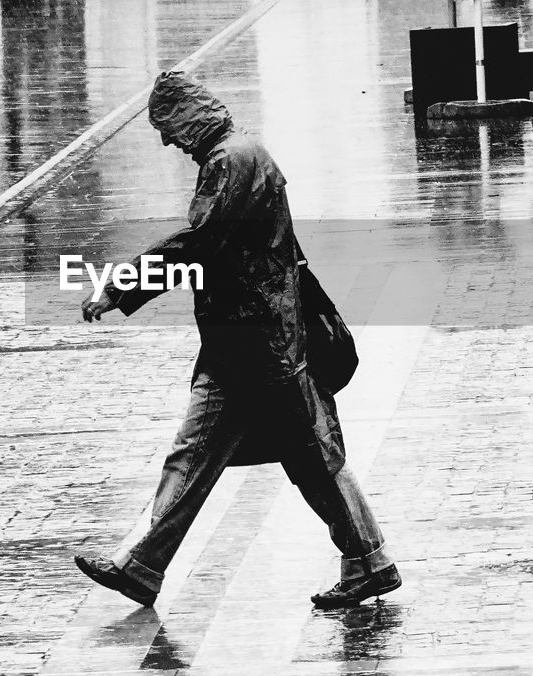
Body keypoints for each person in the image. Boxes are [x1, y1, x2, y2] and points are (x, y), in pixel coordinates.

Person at [74, 71, 400, 610]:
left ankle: (369, 561)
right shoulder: (238, 155)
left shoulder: (232, 161)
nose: (166, 141)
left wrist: (120, 286)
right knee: (251, 455)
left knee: (297, 456)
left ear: (188, 116)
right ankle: (143, 566)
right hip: (252, 340)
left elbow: (199, 244)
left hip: (258, 345)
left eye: (167, 127)